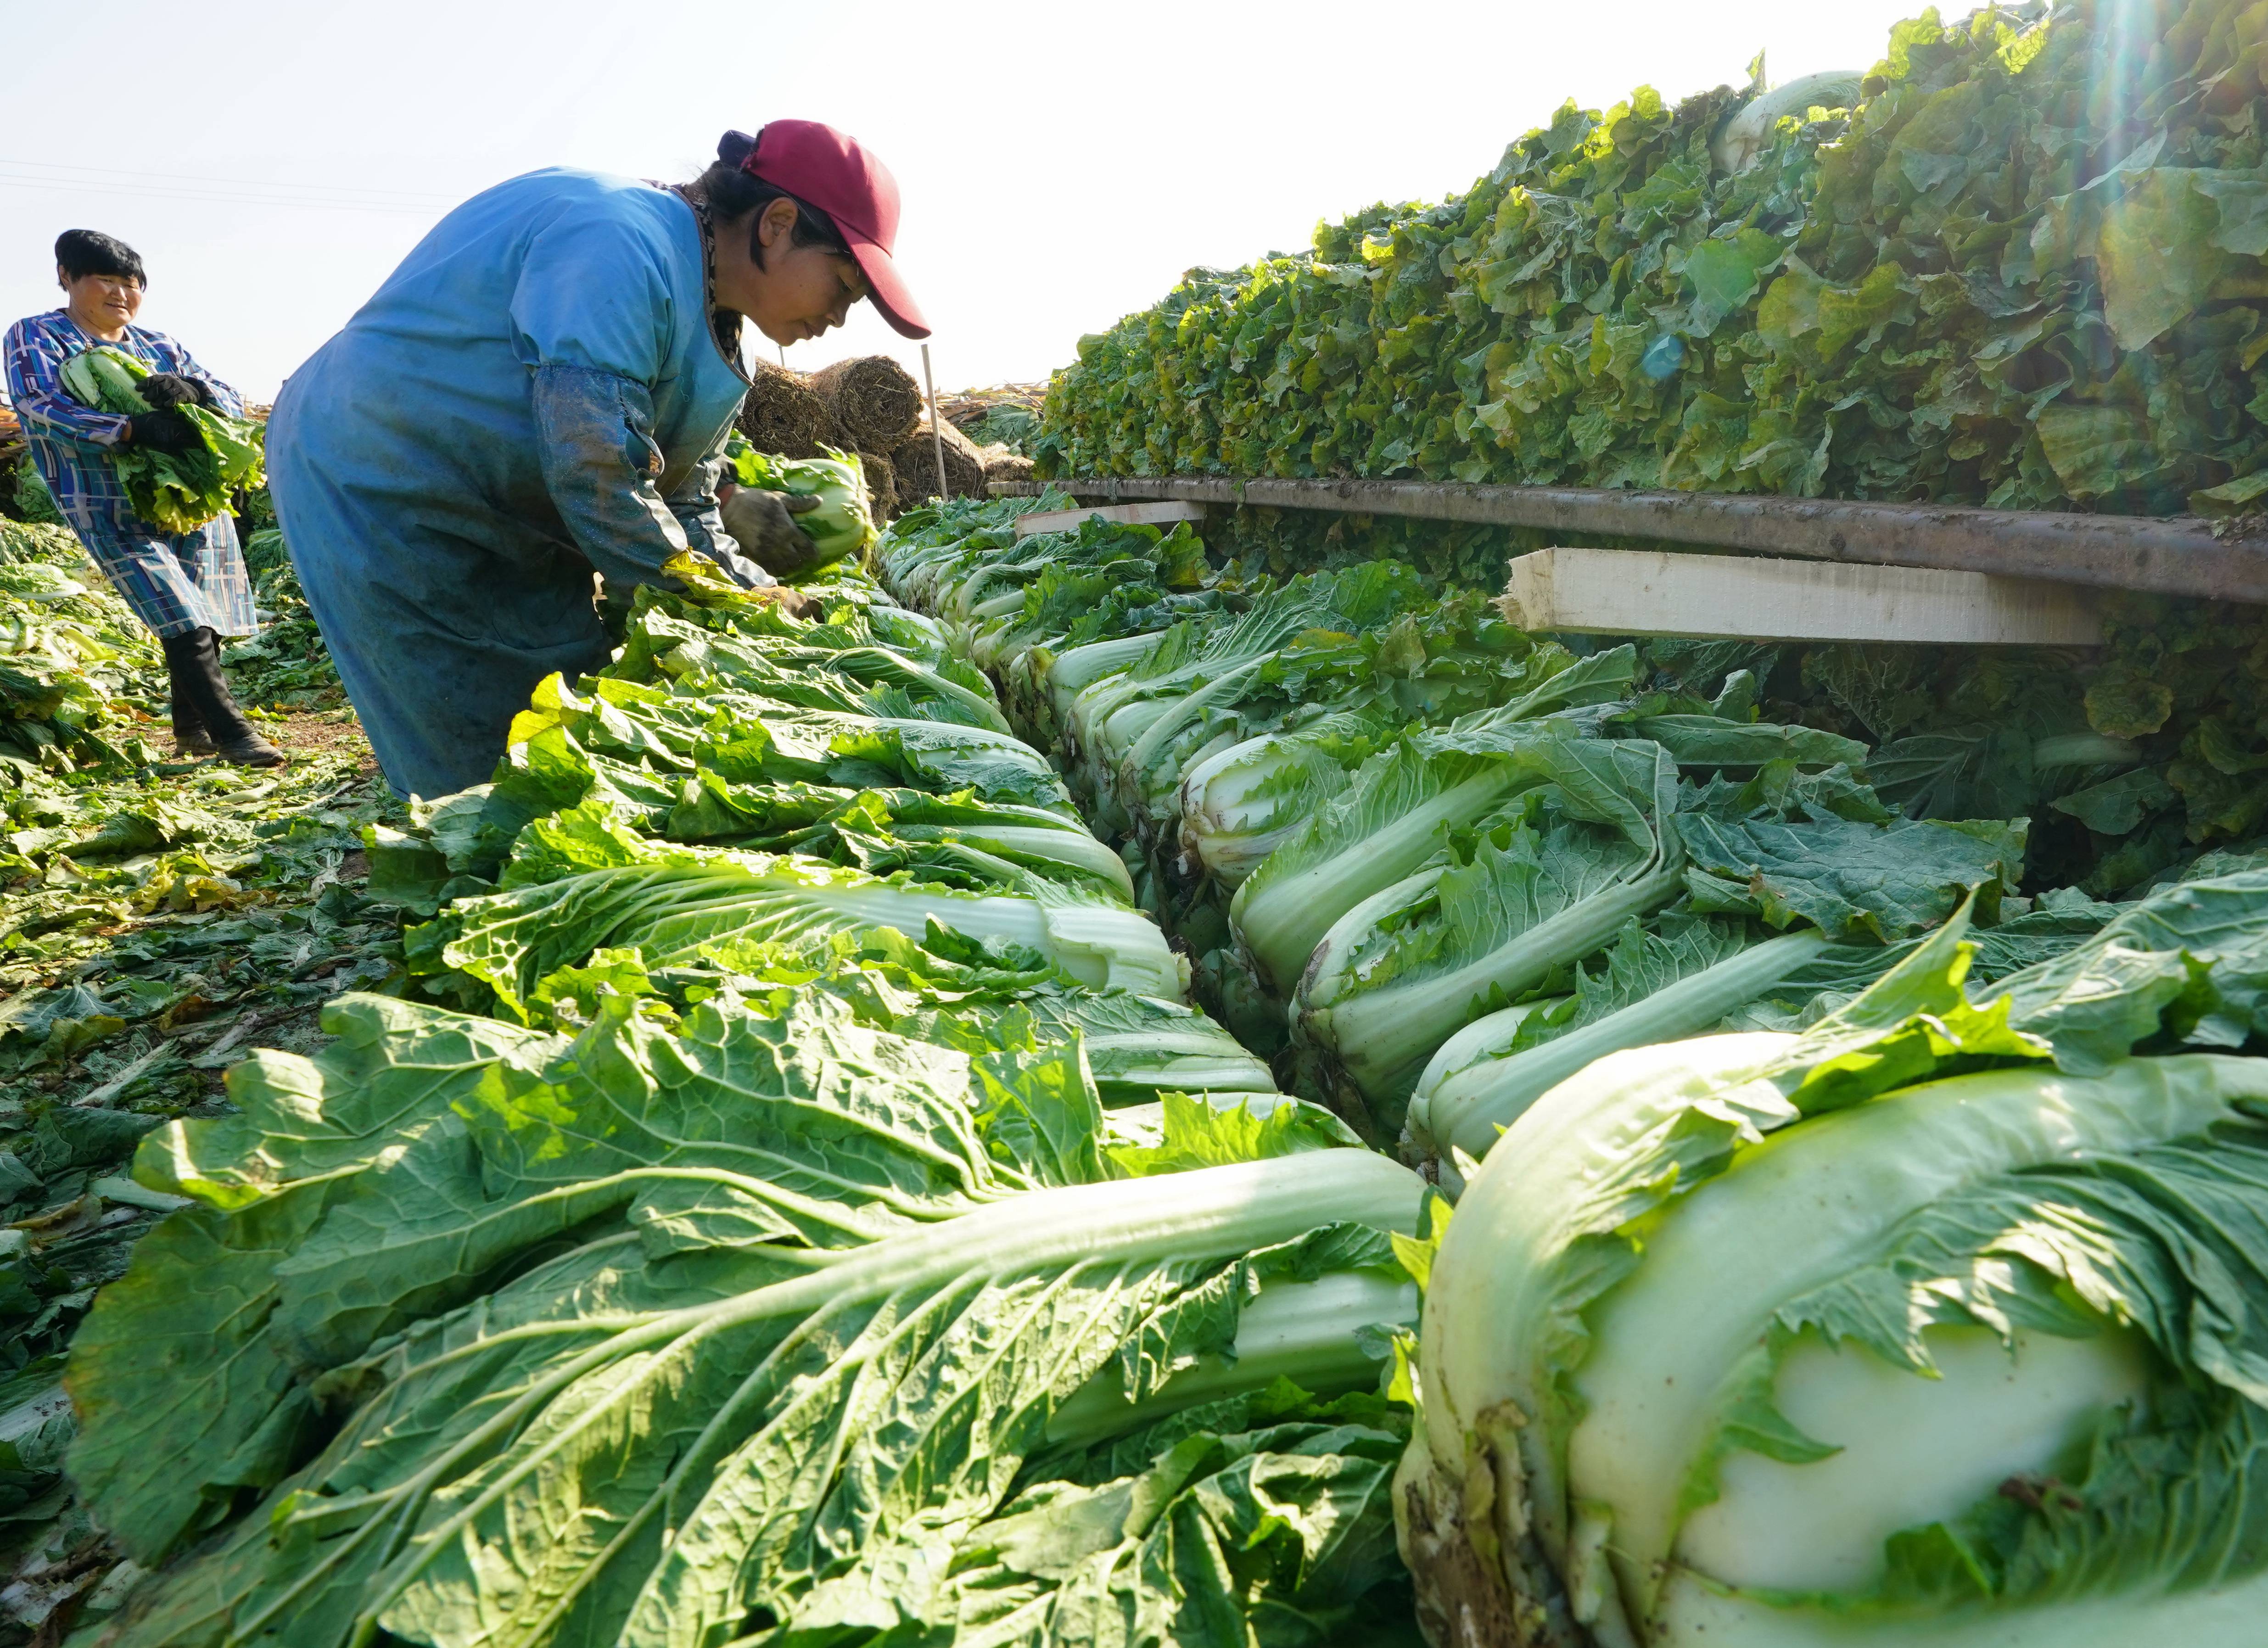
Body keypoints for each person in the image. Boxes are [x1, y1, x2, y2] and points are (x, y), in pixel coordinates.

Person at [265, 120, 930, 801]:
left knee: (567, 721)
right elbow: (595, 465)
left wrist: (756, 593)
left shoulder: (730, 343)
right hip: (382, 478)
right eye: (844, 287)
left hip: (506, 506)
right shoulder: (620, 239)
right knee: (487, 767)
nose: (842, 319)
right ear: (778, 223)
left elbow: (685, 506)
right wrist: (726, 597)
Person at [3, 230, 284, 766]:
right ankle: (235, 735)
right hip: (109, 501)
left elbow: (223, 395)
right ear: (66, 277)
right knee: (177, 610)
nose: (121, 294)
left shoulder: (160, 345)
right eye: (105, 280)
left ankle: (193, 730)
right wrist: (131, 430)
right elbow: (39, 403)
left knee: (202, 611)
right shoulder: (38, 335)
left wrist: (196, 393)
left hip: (190, 493)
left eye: (131, 284)